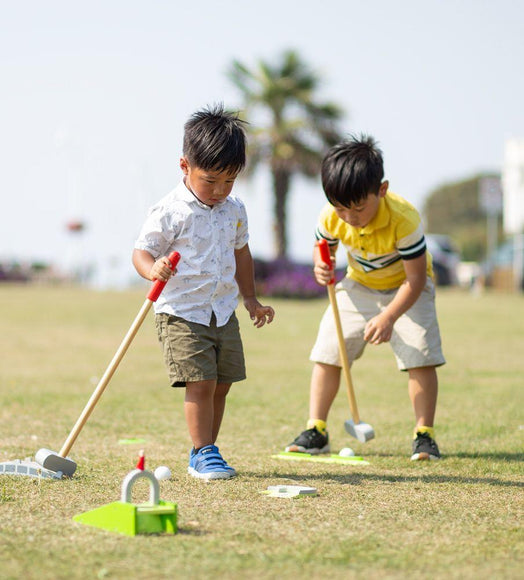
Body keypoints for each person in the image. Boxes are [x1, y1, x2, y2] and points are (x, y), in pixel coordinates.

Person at [133, 104, 275, 480]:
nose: (219, 191)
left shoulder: (235, 209)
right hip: (181, 311)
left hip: (222, 310)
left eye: (229, 181)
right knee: (201, 381)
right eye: (210, 181)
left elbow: (241, 254)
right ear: (185, 167)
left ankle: (205, 450)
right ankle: (203, 451)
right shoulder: (169, 210)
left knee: (223, 383)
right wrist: (153, 269)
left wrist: (250, 299)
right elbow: (140, 251)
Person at [286, 135, 445, 461]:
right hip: (358, 286)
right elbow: (324, 255)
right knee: (329, 349)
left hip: (408, 287)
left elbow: (415, 280)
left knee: (421, 355)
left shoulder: (405, 219)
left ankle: (424, 435)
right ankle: (316, 429)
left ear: (381, 190)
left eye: (359, 207)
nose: (350, 217)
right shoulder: (331, 215)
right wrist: (321, 269)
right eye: (341, 208)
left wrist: (388, 317)